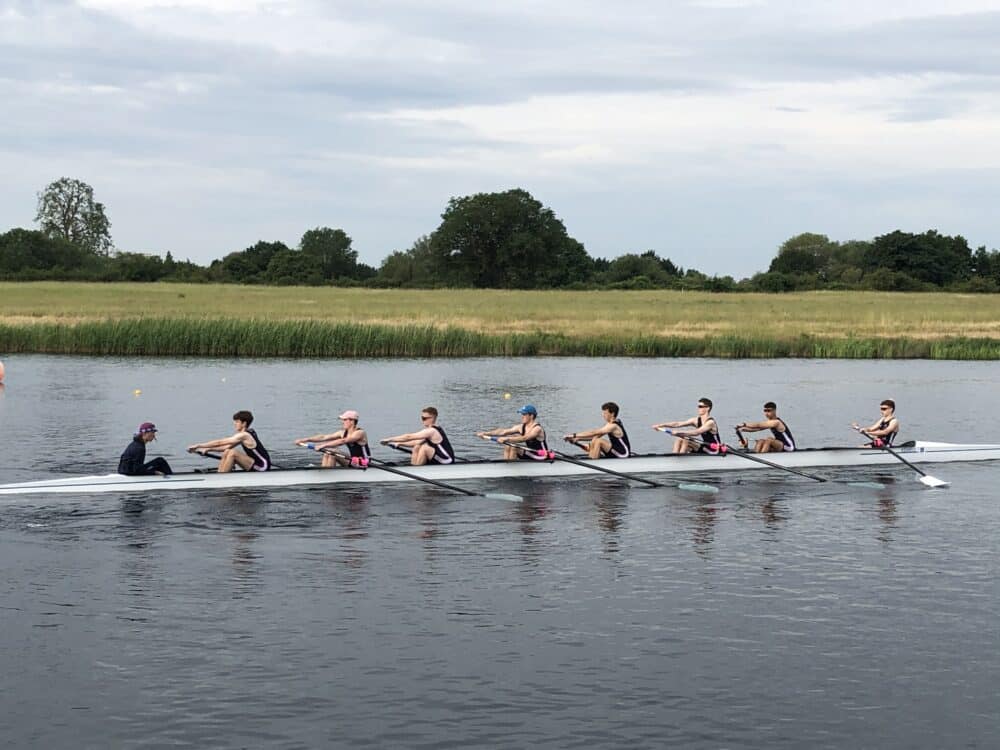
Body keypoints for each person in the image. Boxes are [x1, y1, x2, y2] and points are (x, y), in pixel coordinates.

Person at [187, 410, 271, 472]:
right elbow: (224, 447)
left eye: (237, 422)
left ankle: (223, 478)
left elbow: (220, 442)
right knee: (227, 451)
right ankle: (220, 474)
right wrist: (208, 449)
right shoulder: (244, 435)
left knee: (233, 453)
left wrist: (198, 445)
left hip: (262, 467)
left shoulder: (244, 435)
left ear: (244, 423)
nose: (235, 424)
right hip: (254, 463)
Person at [380, 406, 456, 465]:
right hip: (440, 457)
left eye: (424, 418)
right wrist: (399, 444)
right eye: (422, 418)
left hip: (447, 460)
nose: (422, 420)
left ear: (433, 418)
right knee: (417, 446)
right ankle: (414, 467)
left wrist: (389, 439)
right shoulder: (429, 431)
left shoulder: (432, 431)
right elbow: (415, 442)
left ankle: (417, 469)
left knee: (424, 448)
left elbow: (408, 437)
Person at [295, 410, 370, 468]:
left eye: (344, 420)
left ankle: (328, 474)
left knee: (332, 452)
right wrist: (304, 440)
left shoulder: (360, 433)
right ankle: (325, 471)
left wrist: (323, 446)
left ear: (352, 421)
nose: (342, 422)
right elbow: (323, 437)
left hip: (364, 463)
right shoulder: (342, 433)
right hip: (353, 461)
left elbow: (343, 441)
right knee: (328, 452)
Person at [476, 404, 550, 461]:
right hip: (530, 453)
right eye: (522, 414)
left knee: (513, 445)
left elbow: (524, 438)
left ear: (531, 416)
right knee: (508, 445)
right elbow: (503, 432)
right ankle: (506, 464)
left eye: (524, 414)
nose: (522, 416)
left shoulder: (537, 429)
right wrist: (485, 433)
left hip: (541, 455)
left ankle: (510, 468)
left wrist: (506, 439)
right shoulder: (521, 427)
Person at [652, 397, 721, 454]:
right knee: (679, 439)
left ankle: (680, 461)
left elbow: (696, 432)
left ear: (707, 408)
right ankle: (674, 457)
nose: (698, 408)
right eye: (698, 406)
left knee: (685, 439)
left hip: (714, 450)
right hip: (705, 447)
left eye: (700, 406)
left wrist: (678, 432)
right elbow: (677, 424)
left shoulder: (710, 422)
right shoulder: (696, 420)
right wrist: (660, 425)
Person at [563, 402, 631, 459]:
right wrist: (577, 439)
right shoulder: (609, 424)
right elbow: (595, 436)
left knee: (599, 441)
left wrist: (573, 435)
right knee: (595, 439)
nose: (603, 415)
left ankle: (592, 463)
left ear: (612, 414)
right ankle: (592, 458)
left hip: (623, 454)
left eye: (605, 413)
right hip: (615, 451)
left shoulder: (613, 426)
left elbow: (594, 432)